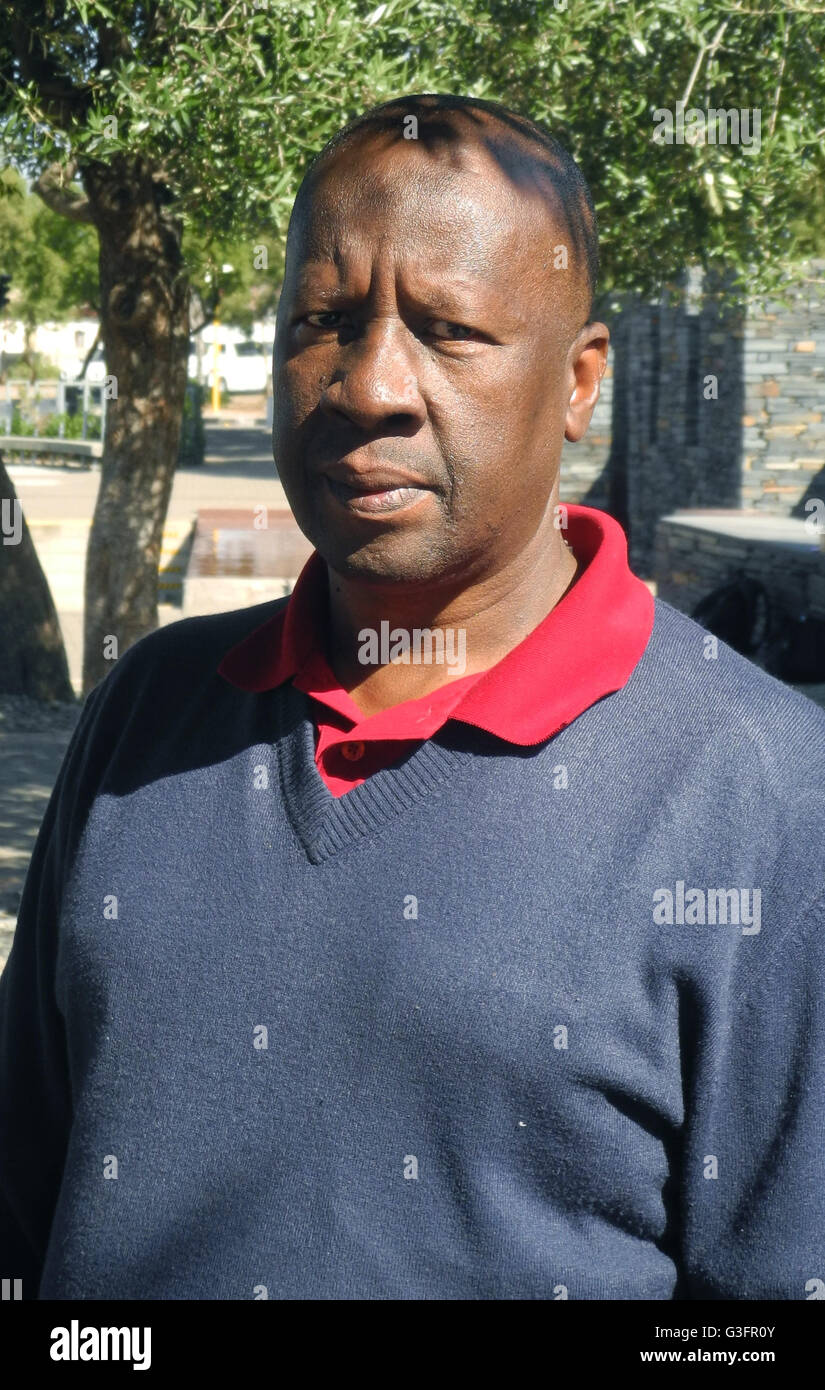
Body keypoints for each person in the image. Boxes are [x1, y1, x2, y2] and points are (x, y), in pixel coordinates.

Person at [1, 93, 823, 1301]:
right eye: (324, 320)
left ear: (581, 380)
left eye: (448, 328)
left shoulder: (767, 794)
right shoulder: (149, 714)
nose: (370, 384)